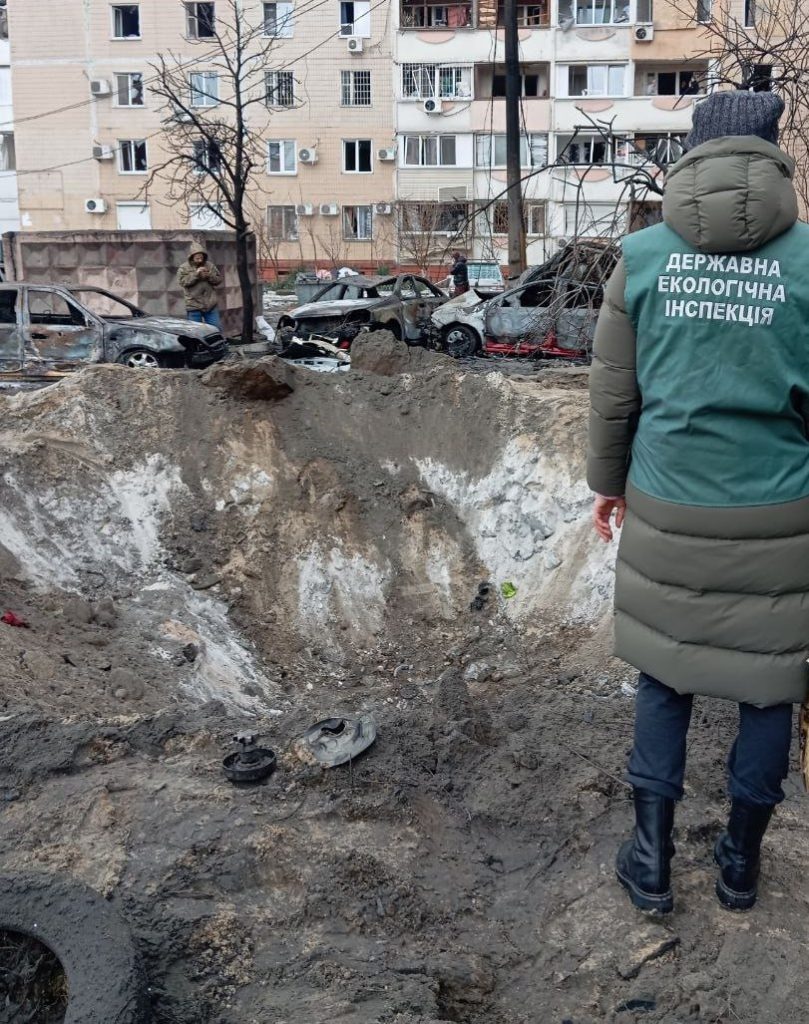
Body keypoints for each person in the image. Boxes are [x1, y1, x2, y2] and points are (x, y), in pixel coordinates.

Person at [587, 90, 807, 915]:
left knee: (663, 677)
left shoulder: (641, 257)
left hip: (667, 500)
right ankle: (738, 868)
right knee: (768, 686)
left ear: (691, 155)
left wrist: (606, 483)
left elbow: (614, 392)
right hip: (779, 511)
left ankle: (649, 864)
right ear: (772, 154)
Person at [177, 243, 223, 329]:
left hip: (210, 304)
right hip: (193, 305)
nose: (200, 260)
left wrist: (209, 275)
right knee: (195, 332)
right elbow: (183, 282)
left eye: (201, 258)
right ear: (192, 257)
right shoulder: (184, 267)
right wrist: (196, 274)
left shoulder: (210, 265)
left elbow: (218, 280)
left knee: (216, 329)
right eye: (197, 258)